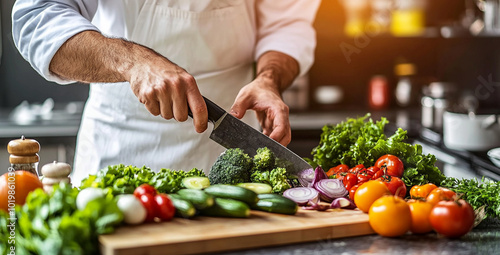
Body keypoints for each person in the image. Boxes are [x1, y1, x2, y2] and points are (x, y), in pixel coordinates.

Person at [12, 0, 321, 184]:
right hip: (121, 145)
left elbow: (287, 23)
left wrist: (268, 79)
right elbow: (38, 16)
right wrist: (132, 62)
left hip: (232, 141)